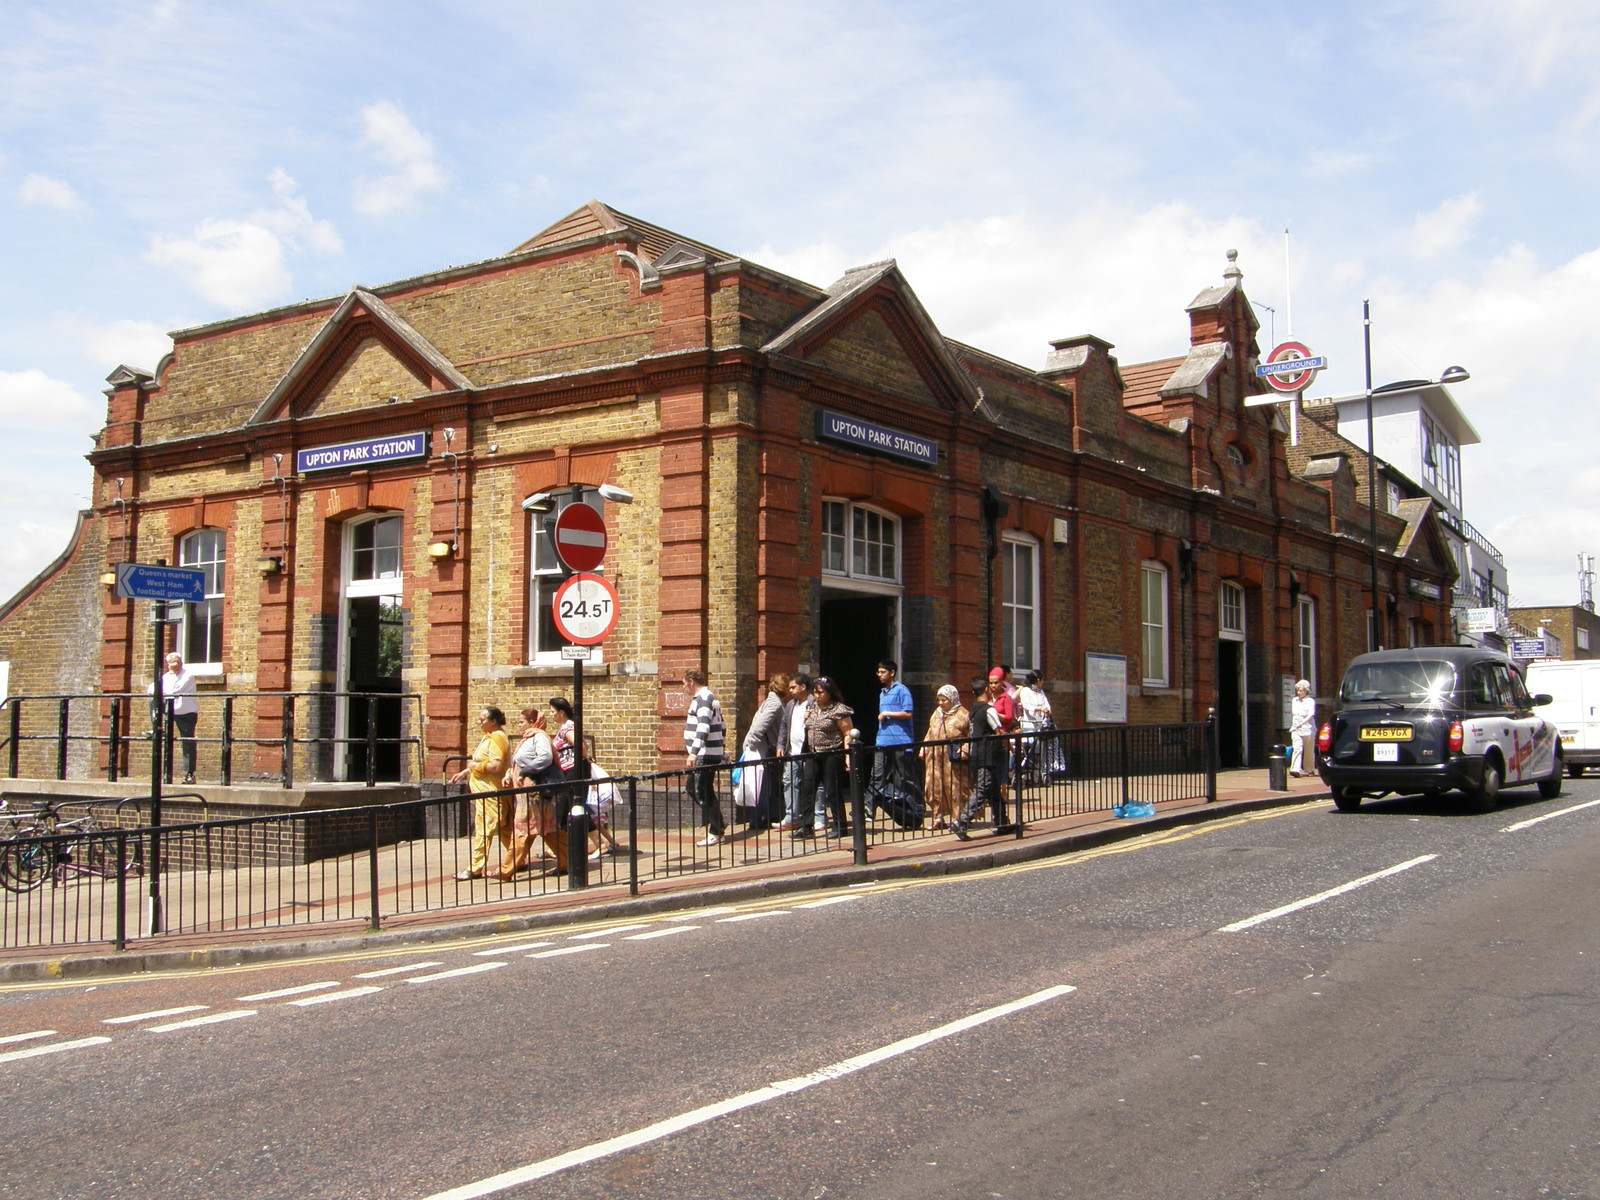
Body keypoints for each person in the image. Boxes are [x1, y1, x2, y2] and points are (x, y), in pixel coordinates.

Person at [450, 706, 512, 880]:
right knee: (504, 828)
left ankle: (475, 867)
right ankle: (516, 859)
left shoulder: (496, 739)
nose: (479, 722)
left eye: (482, 719)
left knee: (485, 829)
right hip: (488, 792)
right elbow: (480, 761)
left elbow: (496, 765)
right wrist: (466, 772)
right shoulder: (489, 738)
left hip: (490, 794)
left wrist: (475, 766)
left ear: (493, 721)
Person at [504, 706, 565, 872]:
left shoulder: (539, 737)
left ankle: (506, 869)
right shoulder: (527, 739)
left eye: (521, 722)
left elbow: (545, 757)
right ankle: (569, 861)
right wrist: (510, 774)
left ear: (532, 722)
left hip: (533, 790)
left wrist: (526, 771)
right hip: (524, 791)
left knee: (523, 828)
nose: (519, 725)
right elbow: (518, 761)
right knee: (547, 829)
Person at [952, 676, 1009, 840]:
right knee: (982, 789)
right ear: (986, 690)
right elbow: (998, 731)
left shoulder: (973, 711)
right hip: (988, 755)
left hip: (977, 754)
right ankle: (961, 822)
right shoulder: (988, 710)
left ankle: (1002, 823)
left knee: (994, 791)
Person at [797, 676, 853, 839]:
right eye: (815, 692)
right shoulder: (812, 706)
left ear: (830, 693)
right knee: (807, 789)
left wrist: (847, 756)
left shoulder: (838, 710)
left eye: (821, 692)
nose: (817, 695)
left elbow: (847, 733)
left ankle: (840, 826)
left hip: (831, 753)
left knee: (832, 790)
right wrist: (806, 719)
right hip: (813, 753)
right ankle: (806, 826)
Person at [683, 669, 728, 846]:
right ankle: (718, 822)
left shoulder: (703, 698)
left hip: (704, 753)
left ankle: (716, 830)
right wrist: (722, 751)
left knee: (700, 790)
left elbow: (703, 727)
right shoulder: (710, 698)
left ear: (692, 681)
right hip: (710, 752)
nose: (684, 687)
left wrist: (693, 752)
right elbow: (722, 725)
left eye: (684, 683)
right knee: (695, 789)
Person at [741, 672, 789, 832]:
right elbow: (759, 728)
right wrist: (750, 749)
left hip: (766, 751)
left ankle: (767, 817)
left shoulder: (771, 701)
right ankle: (760, 819)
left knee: (768, 786)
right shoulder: (774, 704)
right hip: (765, 752)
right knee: (764, 786)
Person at [919, 683, 971, 830]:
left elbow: (970, 735)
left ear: (952, 699)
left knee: (955, 787)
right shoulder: (937, 713)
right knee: (933, 786)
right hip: (934, 756)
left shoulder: (963, 714)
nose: (941, 703)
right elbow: (931, 730)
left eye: (944, 700)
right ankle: (938, 816)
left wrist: (965, 749)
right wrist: (924, 746)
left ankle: (958, 818)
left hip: (953, 758)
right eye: (939, 700)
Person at [149, 651, 200, 785]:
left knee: (187, 741)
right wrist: (160, 690)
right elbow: (151, 689)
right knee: (152, 701)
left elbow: (176, 690)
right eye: (173, 662)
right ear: (168, 664)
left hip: (186, 712)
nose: (177, 664)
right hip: (170, 709)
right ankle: (157, 726)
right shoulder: (166, 676)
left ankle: (190, 774)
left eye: (178, 661)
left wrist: (162, 691)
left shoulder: (187, 675)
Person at [872, 659, 915, 802]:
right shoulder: (882, 693)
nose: (879, 674)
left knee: (903, 777)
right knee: (877, 775)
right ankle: (868, 807)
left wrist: (887, 714)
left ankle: (910, 805)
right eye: (878, 672)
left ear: (892, 673)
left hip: (900, 740)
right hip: (883, 740)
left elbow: (908, 713)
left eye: (883, 672)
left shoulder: (902, 690)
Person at [779, 673, 813, 831]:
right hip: (792, 751)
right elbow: (784, 727)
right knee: (789, 782)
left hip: (808, 751)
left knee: (813, 784)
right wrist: (781, 745)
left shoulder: (813, 703)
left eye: (793, 687)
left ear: (803, 687)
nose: (790, 691)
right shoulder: (790, 705)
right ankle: (791, 816)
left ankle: (818, 816)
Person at [1015, 670, 1052, 784]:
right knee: (1027, 750)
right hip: (1029, 726)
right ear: (1038, 680)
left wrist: (1047, 711)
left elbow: (1047, 705)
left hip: (1040, 725)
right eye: (1042, 680)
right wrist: (1039, 708)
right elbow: (1026, 706)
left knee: (1038, 751)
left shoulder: (1041, 692)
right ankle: (1021, 773)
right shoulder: (1025, 691)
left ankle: (1038, 773)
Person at [1289, 679, 1317, 776]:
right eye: (1298, 690)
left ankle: (1309, 769)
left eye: (1301, 690)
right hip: (1296, 728)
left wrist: (1302, 723)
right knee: (1297, 748)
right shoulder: (1294, 701)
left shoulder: (1310, 701)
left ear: (1306, 691)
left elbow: (1310, 714)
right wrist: (1296, 725)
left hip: (1308, 728)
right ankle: (1295, 769)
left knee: (1309, 750)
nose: (1299, 692)